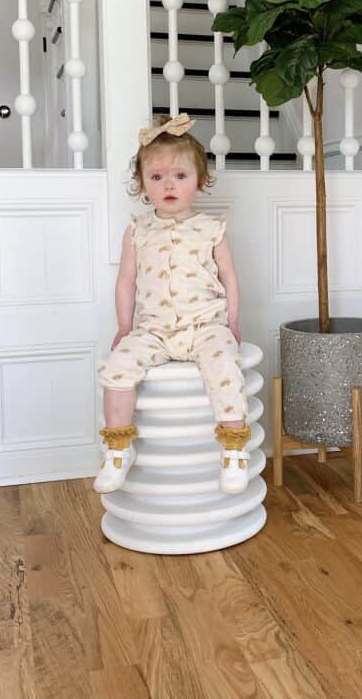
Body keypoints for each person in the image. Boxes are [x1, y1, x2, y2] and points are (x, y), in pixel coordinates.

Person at [93, 112, 251, 496]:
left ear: (199, 180)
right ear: (142, 184)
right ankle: (118, 450)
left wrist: (231, 322)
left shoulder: (212, 228)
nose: (169, 185)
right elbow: (126, 281)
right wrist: (124, 327)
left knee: (225, 370)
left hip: (204, 327)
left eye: (180, 176)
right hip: (154, 330)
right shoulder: (138, 230)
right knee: (115, 370)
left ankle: (233, 452)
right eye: (157, 176)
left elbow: (230, 277)